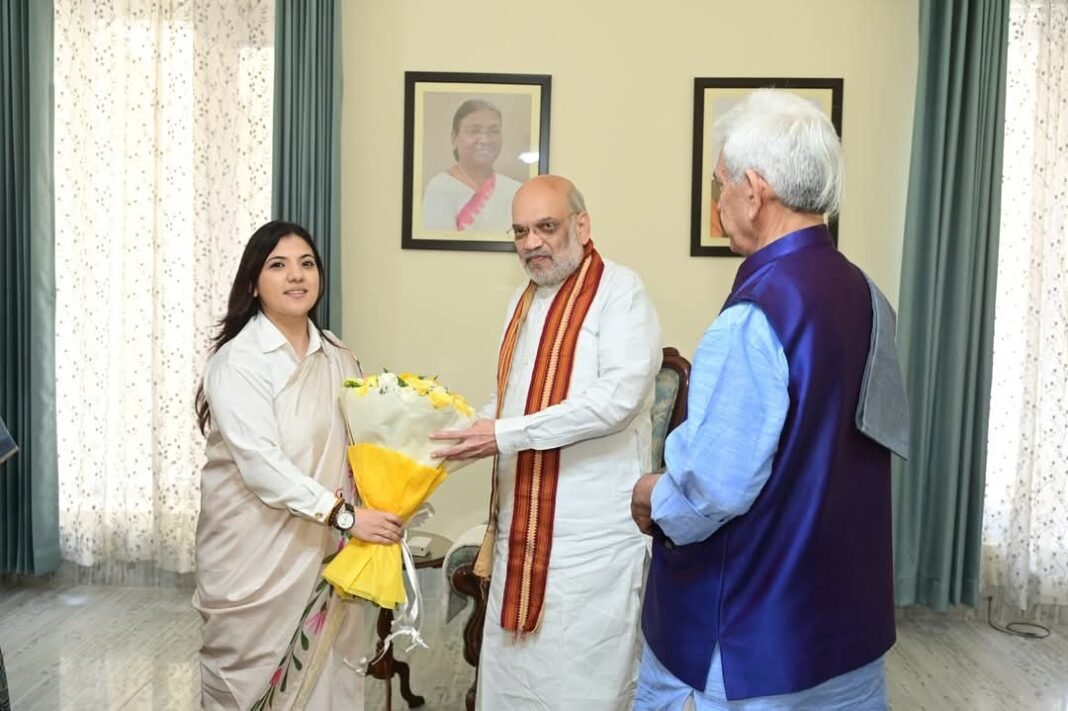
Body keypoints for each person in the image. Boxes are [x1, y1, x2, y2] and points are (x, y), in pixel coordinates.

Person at [631, 89, 908, 710]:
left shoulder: (754, 317)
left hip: (746, 644)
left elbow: (712, 491)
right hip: (846, 633)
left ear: (753, 192)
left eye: (720, 184)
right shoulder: (869, 297)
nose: (718, 201)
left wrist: (653, 495)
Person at [432, 175, 663, 709]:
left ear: (581, 226)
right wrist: (443, 447)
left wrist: (503, 435)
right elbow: (509, 402)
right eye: (520, 232)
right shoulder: (523, 300)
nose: (531, 243)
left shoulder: (620, 291)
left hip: (592, 544)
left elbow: (617, 400)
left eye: (546, 227)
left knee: (584, 689)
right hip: (522, 531)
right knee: (510, 688)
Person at [192, 220, 403, 710]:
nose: (296, 275)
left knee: (332, 680)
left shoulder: (338, 355)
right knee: (249, 683)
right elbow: (261, 465)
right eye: (278, 265)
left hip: (329, 552)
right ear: (253, 284)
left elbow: (359, 444)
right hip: (256, 556)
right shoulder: (239, 362)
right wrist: (345, 516)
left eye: (306, 264)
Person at [421, 98, 524, 233]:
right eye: (474, 131)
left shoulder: (515, 190)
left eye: (493, 131)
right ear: (454, 138)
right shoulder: (440, 188)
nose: (485, 140)